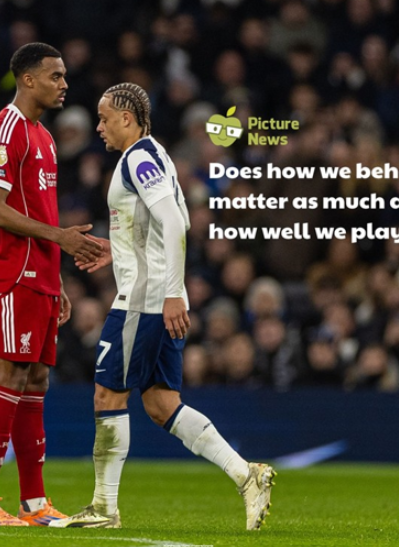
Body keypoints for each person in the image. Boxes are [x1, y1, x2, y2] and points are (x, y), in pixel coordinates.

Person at [50, 83, 275, 531]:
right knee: (160, 403)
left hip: (145, 300)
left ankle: (104, 508)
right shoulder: (156, 155)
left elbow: (174, 221)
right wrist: (120, 248)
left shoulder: (137, 158)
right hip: (156, 295)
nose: (99, 127)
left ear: (127, 119)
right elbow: (172, 218)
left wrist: (171, 292)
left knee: (107, 395)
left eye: (105, 119)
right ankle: (246, 475)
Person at [0, 42, 102, 527]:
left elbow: (39, 209)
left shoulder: (44, 136)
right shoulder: (6, 129)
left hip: (40, 274)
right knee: (10, 376)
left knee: (36, 381)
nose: (64, 84)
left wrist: (55, 274)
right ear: (28, 79)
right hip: (11, 272)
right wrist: (59, 238)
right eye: (55, 76)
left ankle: (34, 503)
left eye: (64, 76)